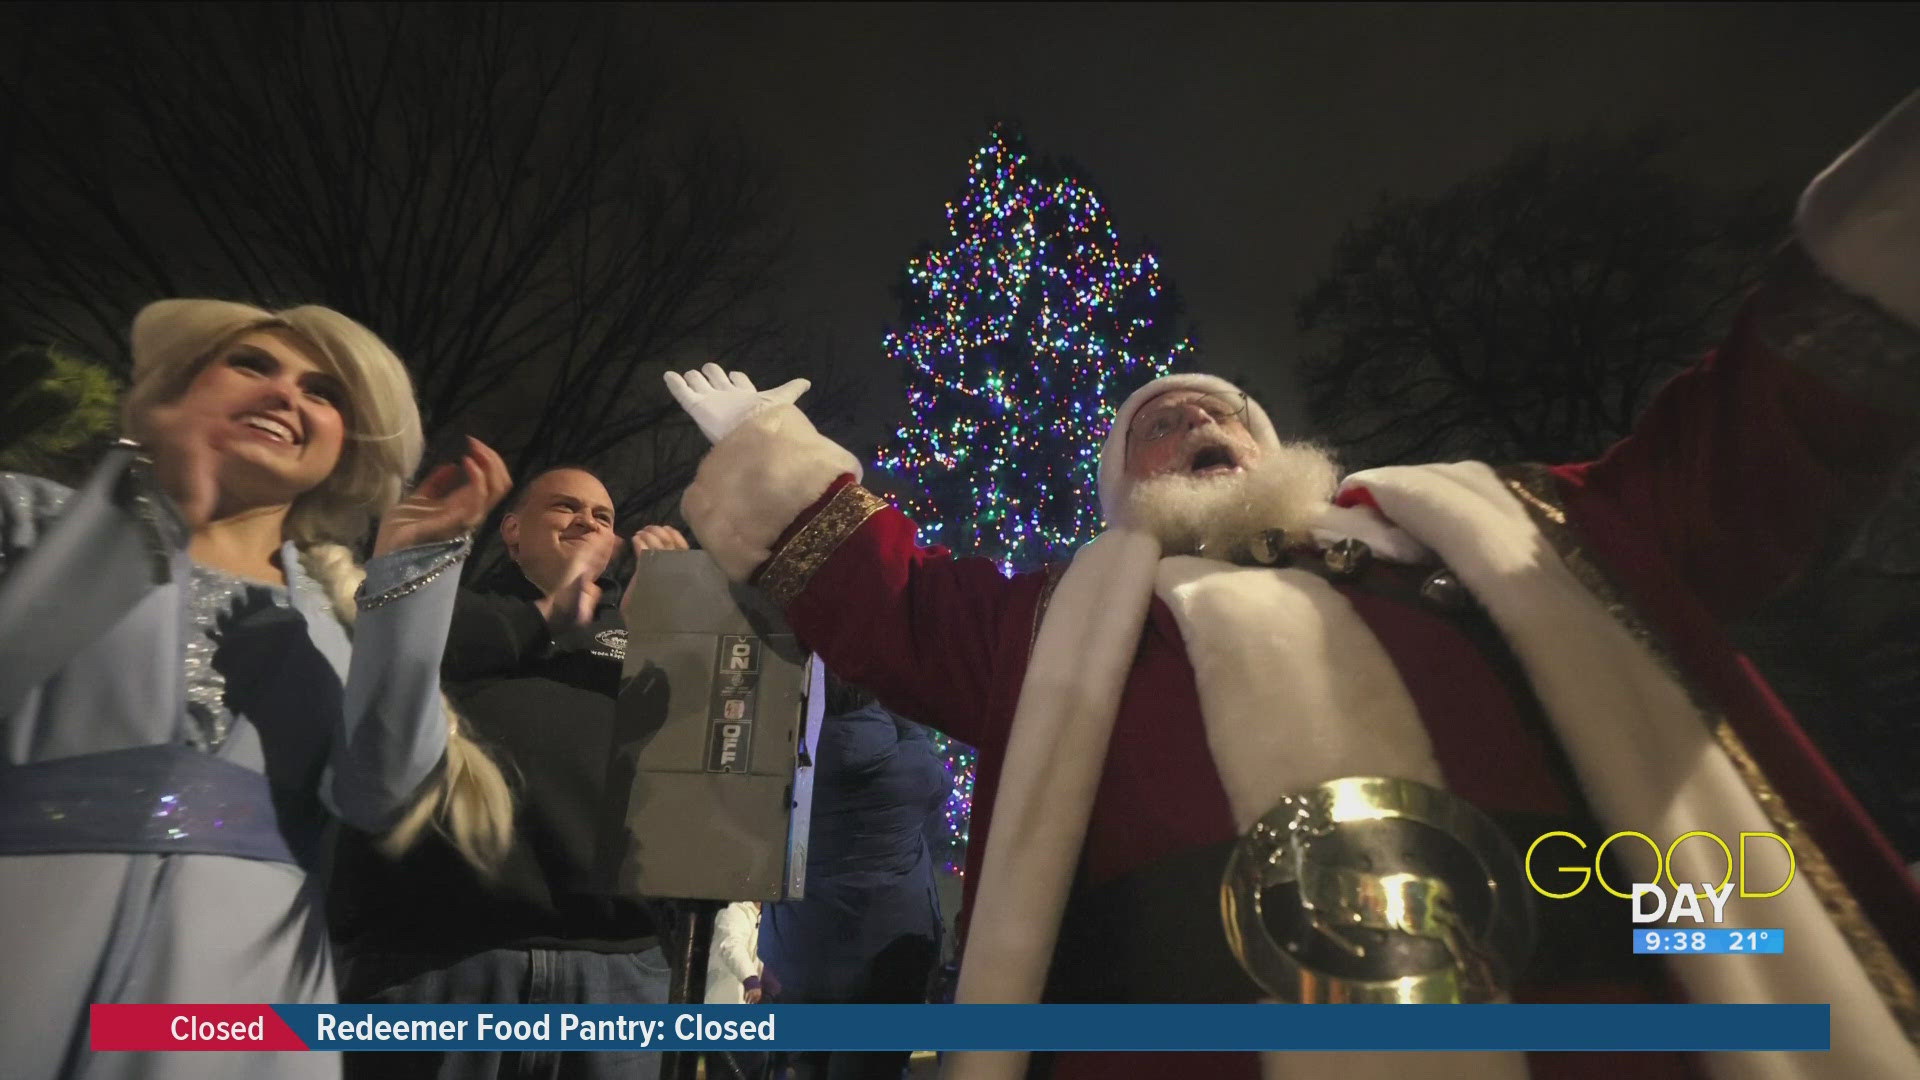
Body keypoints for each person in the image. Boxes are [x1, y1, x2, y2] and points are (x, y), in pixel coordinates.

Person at [664, 92, 1920, 1080]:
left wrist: (1877, 241)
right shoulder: (1051, 628)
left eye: (1221, 408)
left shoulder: (1504, 534)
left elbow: (1741, 458)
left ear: (1280, 451)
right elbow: (893, 598)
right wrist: (767, 460)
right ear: (1122, 494)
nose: (1197, 414)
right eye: (1158, 424)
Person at [0, 299, 515, 1080]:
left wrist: (412, 574)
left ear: (347, 447)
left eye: (323, 392)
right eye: (253, 364)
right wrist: (121, 514)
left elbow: (379, 795)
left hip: (243, 1000)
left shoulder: (339, 617)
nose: (286, 395)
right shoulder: (29, 519)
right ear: (179, 385)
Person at [331, 464, 691, 1080]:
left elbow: (710, 741)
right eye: (565, 508)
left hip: (616, 970)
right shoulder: (451, 607)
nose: (587, 520)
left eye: (603, 517)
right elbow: (393, 652)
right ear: (513, 532)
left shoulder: (636, 634)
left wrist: (679, 612)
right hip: (440, 965)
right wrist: (552, 613)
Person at [759, 680, 945, 1080]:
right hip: (887, 956)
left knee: (805, 1064)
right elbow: (935, 778)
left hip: (801, 952)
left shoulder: (784, 760)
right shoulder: (907, 762)